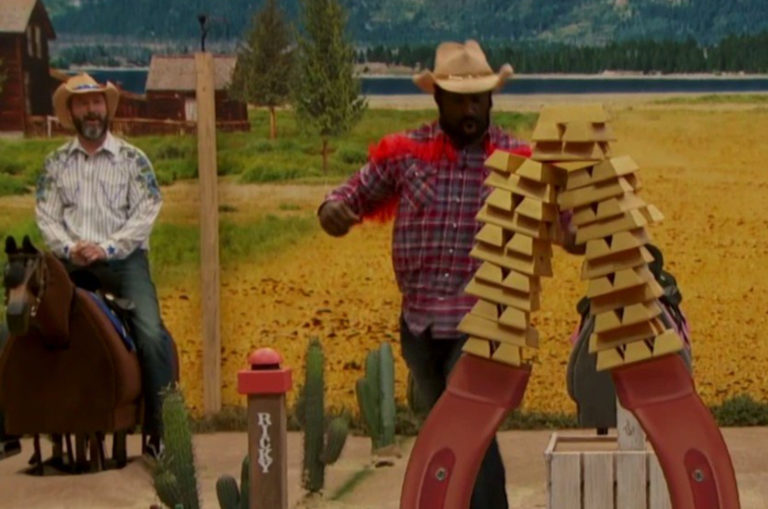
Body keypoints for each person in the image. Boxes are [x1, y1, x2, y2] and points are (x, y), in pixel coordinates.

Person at [319, 40, 535, 509]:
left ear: (491, 99)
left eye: (477, 98)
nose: (469, 109)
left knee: (468, 425)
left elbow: (560, 216)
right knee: (447, 432)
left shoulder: (517, 160)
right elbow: (352, 194)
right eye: (458, 100)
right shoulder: (406, 153)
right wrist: (332, 209)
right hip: (419, 323)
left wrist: (583, 230)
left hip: (482, 322)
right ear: (437, 98)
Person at [35, 73, 173, 453]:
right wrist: (69, 247)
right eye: (83, 104)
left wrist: (108, 248)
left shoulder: (133, 160)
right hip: (71, 263)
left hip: (123, 262)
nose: (91, 110)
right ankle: (22, 423)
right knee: (28, 320)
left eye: (97, 102)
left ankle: (162, 433)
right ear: (72, 112)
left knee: (150, 332)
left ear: (106, 108)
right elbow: (46, 215)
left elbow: (147, 210)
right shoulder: (55, 164)